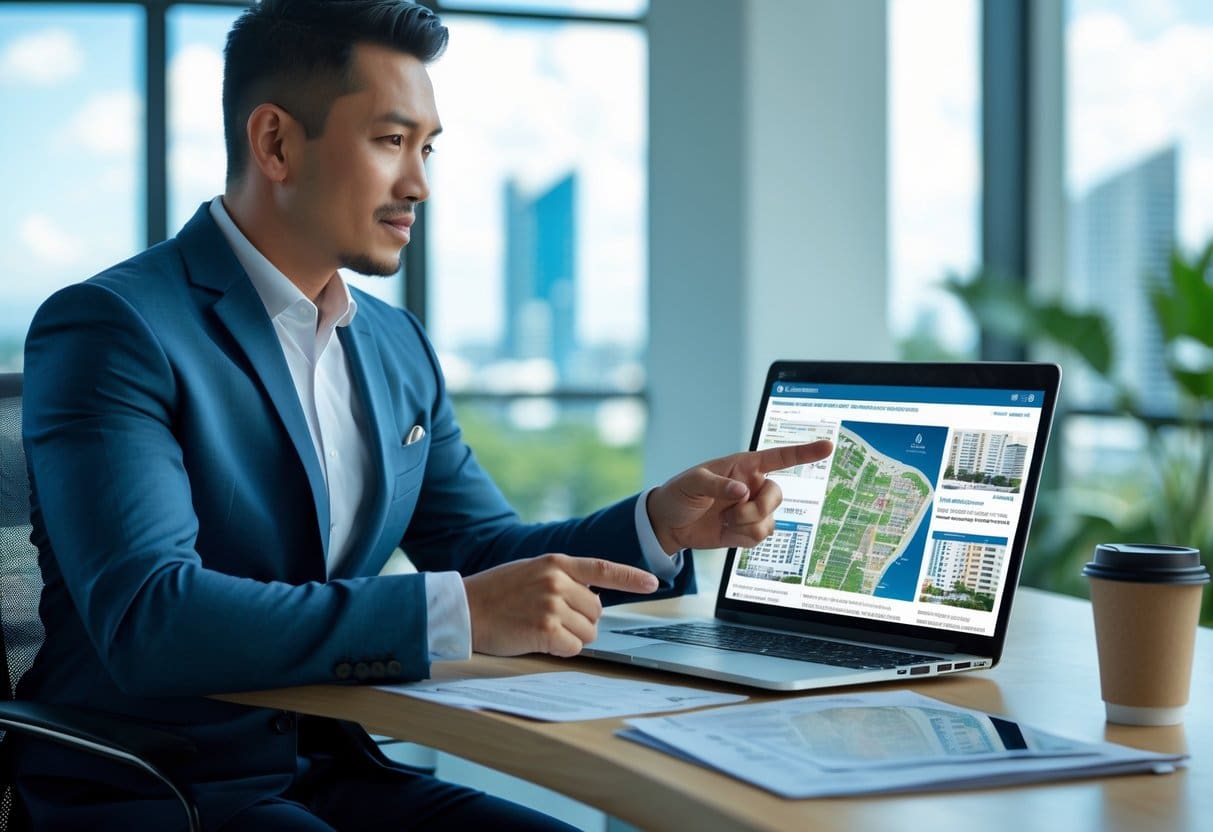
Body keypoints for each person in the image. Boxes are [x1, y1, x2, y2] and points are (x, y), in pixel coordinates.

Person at [16, 1, 834, 829]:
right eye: (390, 140)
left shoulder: (395, 344)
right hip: (156, 789)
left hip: (334, 770)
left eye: (427, 147)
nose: (420, 184)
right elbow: (152, 616)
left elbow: (480, 550)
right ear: (275, 144)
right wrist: (458, 611)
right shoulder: (114, 327)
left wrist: (657, 526)